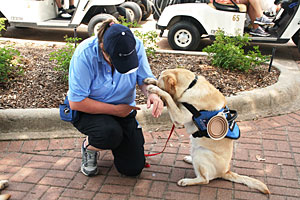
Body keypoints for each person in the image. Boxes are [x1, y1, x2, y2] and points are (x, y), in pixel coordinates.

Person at [67, 19, 164, 177]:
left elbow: (145, 78)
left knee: (133, 169)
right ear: (103, 49)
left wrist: (152, 93)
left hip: (123, 111)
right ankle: (90, 146)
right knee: (110, 134)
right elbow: (76, 102)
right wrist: (116, 110)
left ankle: (117, 141)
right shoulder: (84, 54)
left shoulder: (134, 45)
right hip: (89, 110)